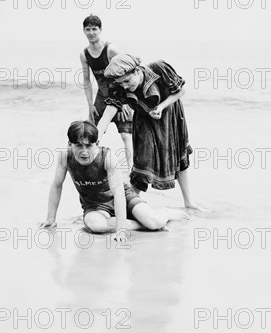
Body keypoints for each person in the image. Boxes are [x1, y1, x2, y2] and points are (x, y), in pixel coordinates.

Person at [96, 54, 203, 211]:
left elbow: (180, 91)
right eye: (121, 83)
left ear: (138, 71)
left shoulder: (160, 68)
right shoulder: (118, 87)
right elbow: (107, 114)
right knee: (142, 163)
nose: (124, 86)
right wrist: (95, 138)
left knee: (180, 157)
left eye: (127, 81)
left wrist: (160, 107)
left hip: (170, 116)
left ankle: (189, 203)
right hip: (143, 119)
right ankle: (128, 206)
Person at [39, 120, 184, 234]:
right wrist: (50, 219)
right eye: (78, 145)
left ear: (97, 144)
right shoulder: (65, 157)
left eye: (89, 146)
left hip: (123, 198)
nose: (84, 151)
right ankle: (140, 224)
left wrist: (121, 229)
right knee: (96, 226)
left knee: (155, 223)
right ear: (70, 144)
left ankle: (162, 214)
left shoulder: (107, 158)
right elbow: (57, 186)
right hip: (95, 206)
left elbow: (119, 193)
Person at [80, 15, 133, 170]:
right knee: (92, 134)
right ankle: (90, 167)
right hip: (102, 98)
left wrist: (125, 101)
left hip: (119, 96)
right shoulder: (84, 54)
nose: (91, 32)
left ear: (100, 30)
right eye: (88, 29)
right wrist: (90, 105)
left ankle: (131, 171)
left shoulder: (110, 50)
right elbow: (86, 80)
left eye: (94, 29)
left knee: (126, 136)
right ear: (84, 31)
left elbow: (126, 73)